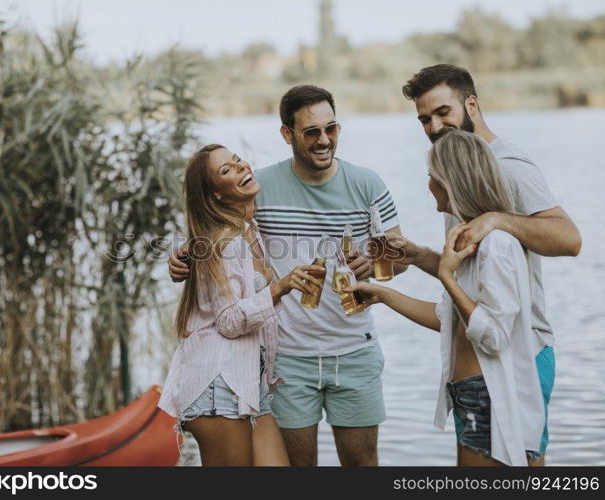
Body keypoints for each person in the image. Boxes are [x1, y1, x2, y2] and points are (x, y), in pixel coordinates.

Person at [169, 85, 407, 466]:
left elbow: (400, 256)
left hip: (355, 351)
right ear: (287, 134)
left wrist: (375, 261)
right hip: (289, 360)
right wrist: (182, 254)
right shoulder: (258, 186)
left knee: (364, 466)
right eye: (311, 132)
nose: (324, 140)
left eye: (331, 129)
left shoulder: (368, 184)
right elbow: (217, 224)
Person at [391, 64, 582, 464]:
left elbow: (569, 239)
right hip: (483, 352)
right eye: (424, 118)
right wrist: (422, 256)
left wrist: (497, 220)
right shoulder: (453, 168)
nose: (434, 125)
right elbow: (471, 273)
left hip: (520, 350)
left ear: (471, 104)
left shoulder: (506, 164)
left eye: (443, 112)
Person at [347, 129, 546, 466]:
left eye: (431, 176)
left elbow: (494, 336)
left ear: (450, 181)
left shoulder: (498, 246)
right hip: (470, 393)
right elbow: (450, 319)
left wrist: (445, 276)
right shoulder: (470, 239)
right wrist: (382, 294)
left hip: (488, 396)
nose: (428, 184)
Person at [158, 144, 326, 466]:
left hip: (251, 383)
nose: (240, 167)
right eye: (226, 171)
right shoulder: (225, 242)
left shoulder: (249, 230)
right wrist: (281, 287)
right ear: (216, 196)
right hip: (218, 386)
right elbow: (229, 321)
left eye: (237, 160)